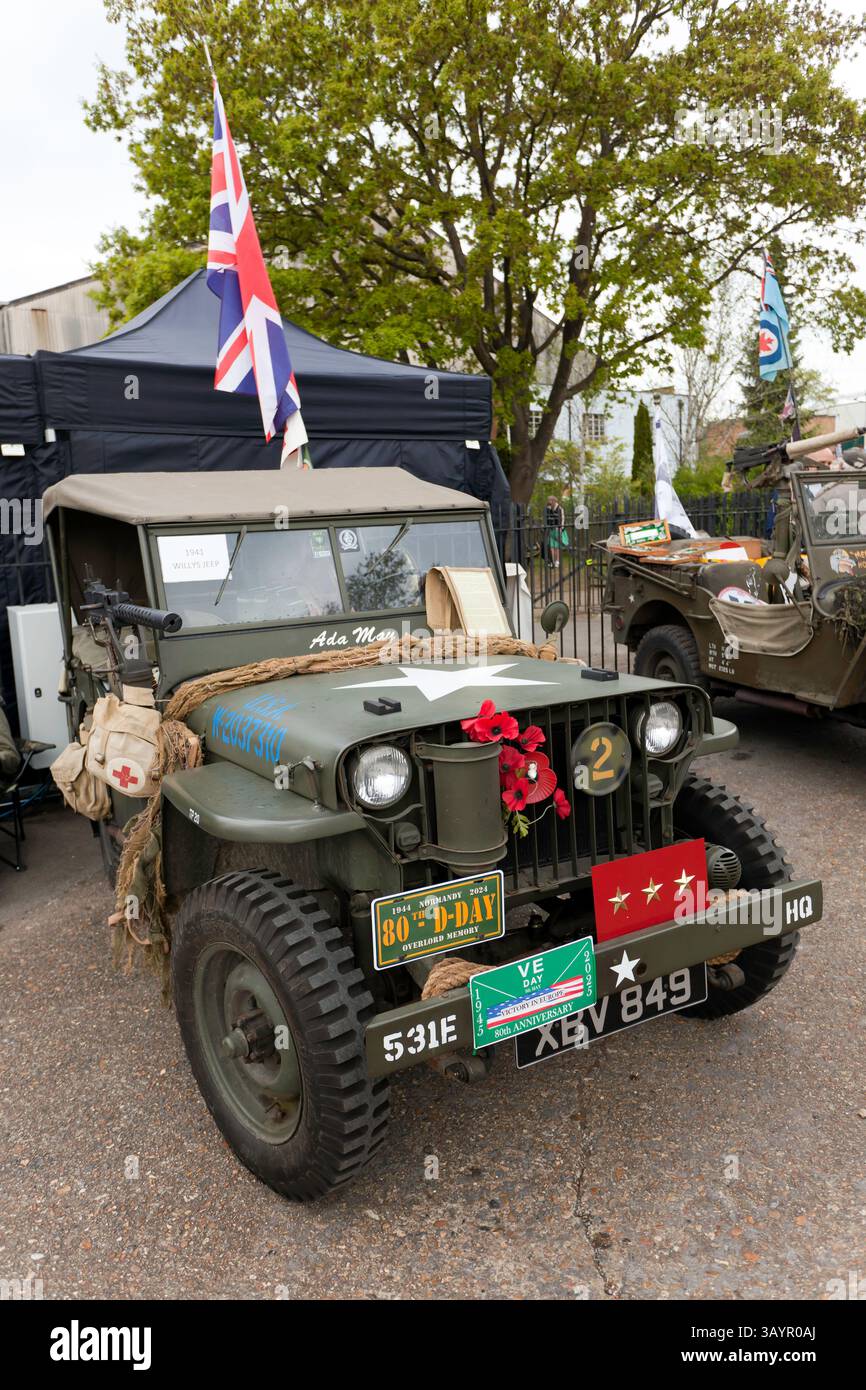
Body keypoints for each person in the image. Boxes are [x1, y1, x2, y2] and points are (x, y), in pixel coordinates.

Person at [544, 495, 565, 568]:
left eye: (549, 500)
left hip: (557, 528)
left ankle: (557, 561)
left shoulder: (560, 508)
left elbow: (562, 518)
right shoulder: (548, 508)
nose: (548, 502)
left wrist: (561, 528)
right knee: (551, 546)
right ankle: (552, 561)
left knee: (557, 546)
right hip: (550, 529)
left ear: (553, 501)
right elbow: (546, 518)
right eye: (548, 500)